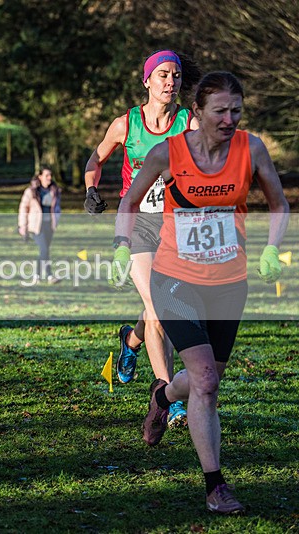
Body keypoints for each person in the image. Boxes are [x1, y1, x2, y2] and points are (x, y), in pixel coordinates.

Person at [112, 71, 289, 514]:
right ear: (198, 114)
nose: (229, 119)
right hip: (174, 279)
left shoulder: (251, 148)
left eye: (236, 111)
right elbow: (130, 201)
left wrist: (272, 249)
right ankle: (215, 485)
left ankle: (164, 395)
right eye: (220, 111)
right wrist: (121, 244)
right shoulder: (168, 152)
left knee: (207, 380)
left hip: (230, 284)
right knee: (206, 382)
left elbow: (279, 203)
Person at [84, 50, 200, 427]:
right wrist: (90, 188)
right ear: (147, 80)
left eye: (177, 75)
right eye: (163, 75)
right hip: (137, 224)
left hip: (176, 226)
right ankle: (169, 398)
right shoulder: (126, 124)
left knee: (161, 305)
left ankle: (130, 341)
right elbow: (95, 160)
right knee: (160, 309)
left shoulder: (188, 121)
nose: (171, 82)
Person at [18, 167, 61, 284]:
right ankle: (43, 276)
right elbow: (23, 208)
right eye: (46, 175)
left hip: (49, 225)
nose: (49, 178)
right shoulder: (31, 191)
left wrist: (57, 218)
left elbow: (57, 207)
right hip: (36, 226)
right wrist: (22, 226)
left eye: (50, 175)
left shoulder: (54, 190)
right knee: (44, 249)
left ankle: (45, 276)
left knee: (45, 252)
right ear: (40, 177)